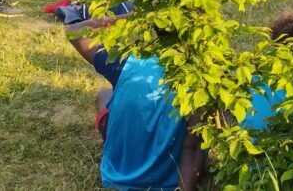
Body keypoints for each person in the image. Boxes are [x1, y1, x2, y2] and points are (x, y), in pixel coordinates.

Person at [67, 20, 204, 189]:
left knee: (104, 95)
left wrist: (134, 17)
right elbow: (192, 148)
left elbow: (74, 31)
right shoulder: (203, 77)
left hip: (118, 174)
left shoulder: (127, 62)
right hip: (170, 178)